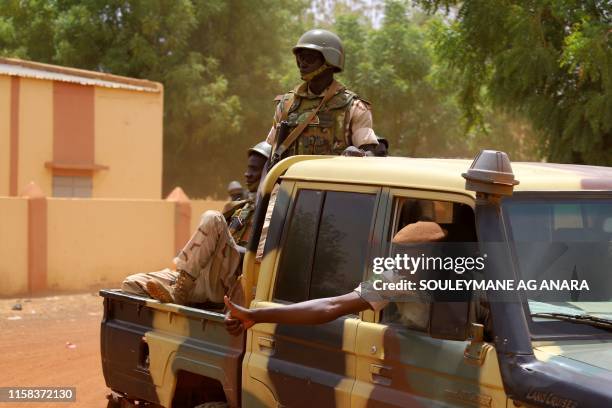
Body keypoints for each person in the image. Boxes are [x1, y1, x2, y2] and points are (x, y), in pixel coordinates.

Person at [224, 221, 447, 335]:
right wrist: (257, 315)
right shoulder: (393, 279)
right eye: (398, 256)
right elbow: (331, 306)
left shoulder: (460, 271)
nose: (398, 264)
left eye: (408, 257)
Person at [121, 141, 272, 305]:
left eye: (254, 169)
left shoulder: (273, 212)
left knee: (212, 218)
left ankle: (180, 291)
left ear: (268, 173)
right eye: (248, 168)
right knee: (131, 283)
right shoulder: (242, 208)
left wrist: (219, 249)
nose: (247, 174)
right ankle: (182, 287)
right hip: (202, 276)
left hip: (229, 284)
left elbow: (258, 262)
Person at [266, 29, 378, 165]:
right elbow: (269, 151)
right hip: (291, 184)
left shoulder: (354, 107)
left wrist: (358, 154)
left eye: (310, 57)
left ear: (329, 60)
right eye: (300, 57)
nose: (303, 63)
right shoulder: (287, 104)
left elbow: (370, 155)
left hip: (332, 184)